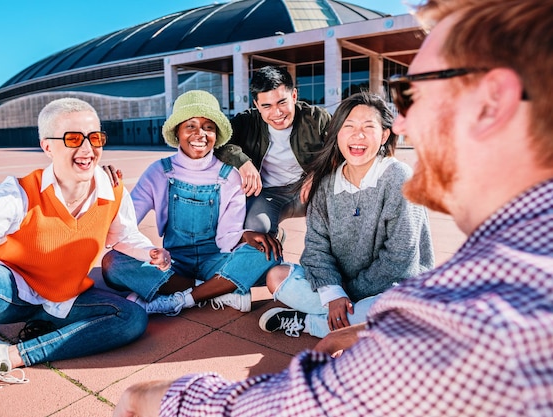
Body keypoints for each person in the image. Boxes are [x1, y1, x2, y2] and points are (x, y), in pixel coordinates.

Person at [112, 0, 553, 415]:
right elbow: (313, 242)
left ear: (493, 102)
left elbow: (303, 403)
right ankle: (321, 316)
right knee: (273, 263)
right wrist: (349, 304)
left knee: (318, 280)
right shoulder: (505, 261)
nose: (400, 121)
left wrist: (160, 396)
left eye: (412, 93)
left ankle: (310, 320)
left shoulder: (486, 324)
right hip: (306, 250)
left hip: (355, 273)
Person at [0, 97, 166, 417]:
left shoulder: (113, 189)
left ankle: (9, 356)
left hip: (66, 297)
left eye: (94, 137)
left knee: (131, 319)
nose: (87, 148)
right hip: (14, 294)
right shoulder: (17, 194)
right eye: (72, 138)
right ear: (47, 147)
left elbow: (123, 235)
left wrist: (148, 250)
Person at [258, 92, 434, 339]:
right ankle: (350, 325)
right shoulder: (326, 184)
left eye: (368, 127)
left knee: (399, 310)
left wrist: (344, 295)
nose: (357, 135)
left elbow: (399, 260)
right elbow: (316, 248)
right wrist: (333, 293)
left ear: (384, 134)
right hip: (341, 289)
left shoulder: (399, 178)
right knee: (277, 277)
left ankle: (311, 324)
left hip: (393, 289)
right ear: (337, 133)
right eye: (348, 126)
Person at [102, 90, 282, 316]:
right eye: (191, 126)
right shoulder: (158, 171)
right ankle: (217, 290)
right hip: (173, 262)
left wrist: (245, 235)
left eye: (208, 127)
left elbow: (227, 237)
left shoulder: (230, 176)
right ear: (177, 132)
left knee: (268, 254)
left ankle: (180, 298)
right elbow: (126, 224)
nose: (201, 134)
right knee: (112, 264)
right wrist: (150, 252)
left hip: (215, 261)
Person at [214, 66, 331, 237]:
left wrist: (318, 173)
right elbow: (218, 142)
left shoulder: (317, 118)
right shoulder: (246, 122)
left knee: (344, 212)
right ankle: (276, 246)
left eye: (282, 102)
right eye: (267, 106)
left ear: (294, 96)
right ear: (256, 105)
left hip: (309, 190)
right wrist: (242, 162)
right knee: (256, 229)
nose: (277, 113)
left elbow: (339, 148)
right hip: (269, 193)